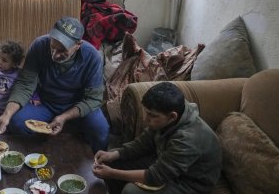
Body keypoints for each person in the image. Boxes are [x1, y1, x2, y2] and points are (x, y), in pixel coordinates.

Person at [0, 17, 109, 153]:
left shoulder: (92, 57)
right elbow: (25, 84)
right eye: (52, 47)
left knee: (100, 130)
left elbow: (93, 99)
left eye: (62, 51)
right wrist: (6, 115)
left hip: (78, 105)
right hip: (46, 103)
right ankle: (39, 155)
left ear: (78, 45)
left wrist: (64, 117)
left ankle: (101, 166)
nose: (54, 54)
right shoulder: (39, 45)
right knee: (17, 121)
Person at [92, 82, 222, 194]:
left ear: (172, 116)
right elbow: (142, 144)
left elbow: (156, 176)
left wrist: (112, 173)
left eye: (152, 115)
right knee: (110, 160)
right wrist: (115, 154)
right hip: (166, 162)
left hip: (190, 182)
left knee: (131, 191)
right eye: (146, 112)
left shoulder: (187, 140)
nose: (146, 118)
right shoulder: (169, 114)